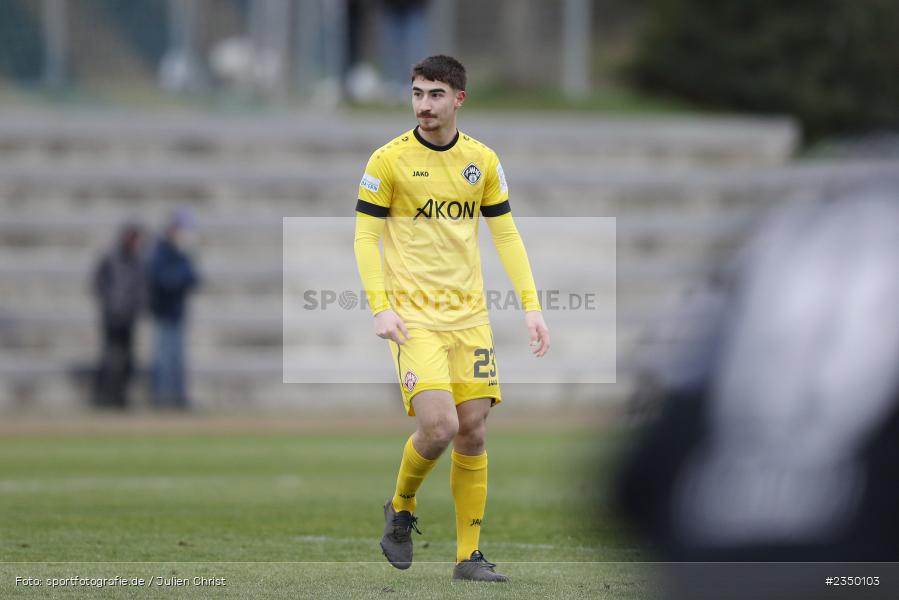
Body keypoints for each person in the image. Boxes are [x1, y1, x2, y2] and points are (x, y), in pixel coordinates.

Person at [353, 55, 550, 582]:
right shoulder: (388, 161)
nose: (424, 105)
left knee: (473, 432)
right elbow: (365, 236)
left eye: (435, 94)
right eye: (417, 93)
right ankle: (401, 506)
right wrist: (380, 307)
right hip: (414, 318)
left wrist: (531, 307)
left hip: (470, 319)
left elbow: (505, 234)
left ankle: (468, 558)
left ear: (459, 98)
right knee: (438, 427)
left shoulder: (482, 161)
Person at [147, 210, 201, 409]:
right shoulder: (161, 250)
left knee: (178, 357)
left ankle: (178, 397)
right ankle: (161, 397)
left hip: (177, 312)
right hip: (163, 311)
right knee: (163, 356)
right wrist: (178, 279)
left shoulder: (182, 253)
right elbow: (161, 279)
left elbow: (193, 278)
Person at [91, 223, 146, 409]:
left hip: (129, 317)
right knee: (110, 357)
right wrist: (110, 303)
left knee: (127, 359)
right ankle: (105, 397)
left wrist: (137, 306)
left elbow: (141, 287)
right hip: (112, 315)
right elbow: (99, 282)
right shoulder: (111, 257)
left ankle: (121, 397)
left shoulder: (138, 260)